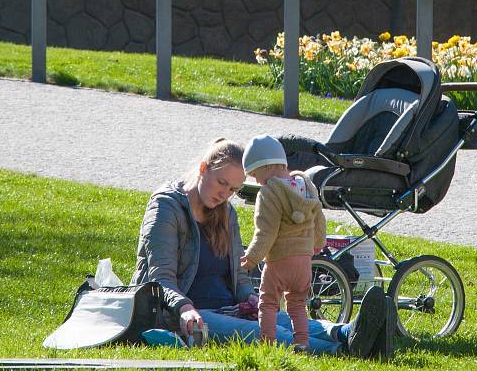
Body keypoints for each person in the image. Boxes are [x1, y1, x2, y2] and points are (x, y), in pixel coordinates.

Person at [130, 137, 388, 357]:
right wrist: (185, 309)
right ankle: (342, 350)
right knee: (265, 332)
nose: (225, 194)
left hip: (230, 307)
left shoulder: (225, 212)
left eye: (233, 189)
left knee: (279, 319)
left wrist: (248, 297)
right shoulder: (166, 206)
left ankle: (347, 332)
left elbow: (239, 272)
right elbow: (160, 278)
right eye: (222, 183)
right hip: (184, 312)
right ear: (203, 168)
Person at [239, 135, 326, 350]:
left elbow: (265, 231)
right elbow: (319, 217)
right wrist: (318, 242)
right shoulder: (306, 186)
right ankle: (302, 343)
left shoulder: (269, 193)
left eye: (256, 174)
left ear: (266, 166)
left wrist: (251, 257)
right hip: (304, 260)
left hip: (279, 260)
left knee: (268, 303)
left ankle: (268, 345)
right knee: (297, 304)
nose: (257, 181)